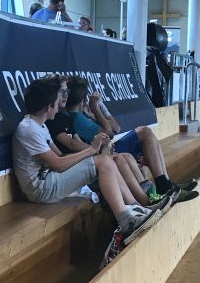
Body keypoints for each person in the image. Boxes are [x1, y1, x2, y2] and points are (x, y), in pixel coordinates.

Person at [12, 78, 162, 241]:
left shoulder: (39, 125)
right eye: (57, 100)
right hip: (41, 189)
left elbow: (60, 157)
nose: (59, 104)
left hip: (50, 179)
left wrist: (93, 155)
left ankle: (137, 208)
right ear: (49, 106)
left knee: (106, 160)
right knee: (103, 162)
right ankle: (125, 219)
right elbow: (58, 164)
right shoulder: (28, 129)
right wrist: (91, 150)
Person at [65, 77, 199, 203]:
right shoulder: (77, 118)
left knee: (146, 132)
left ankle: (167, 184)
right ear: (84, 99)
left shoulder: (82, 115)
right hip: (105, 155)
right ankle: (163, 186)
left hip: (106, 151)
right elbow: (110, 133)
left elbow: (116, 127)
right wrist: (96, 108)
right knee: (145, 132)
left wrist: (94, 112)